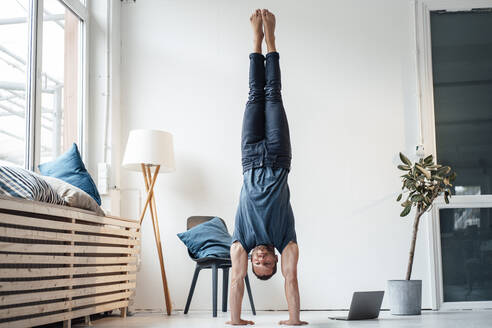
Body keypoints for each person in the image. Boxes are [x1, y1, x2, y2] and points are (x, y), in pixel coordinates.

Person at [226, 9, 307, 326]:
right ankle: (270, 39)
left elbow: (235, 281)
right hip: (277, 155)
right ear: (276, 259)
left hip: (249, 158)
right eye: (266, 263)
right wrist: (294, 320)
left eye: (256, 263)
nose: (260, 258)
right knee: (272, 94)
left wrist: (235, 321)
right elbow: (291, 279)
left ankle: (255, 41)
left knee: (253, 95)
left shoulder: (241, 242)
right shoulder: (285, 238)